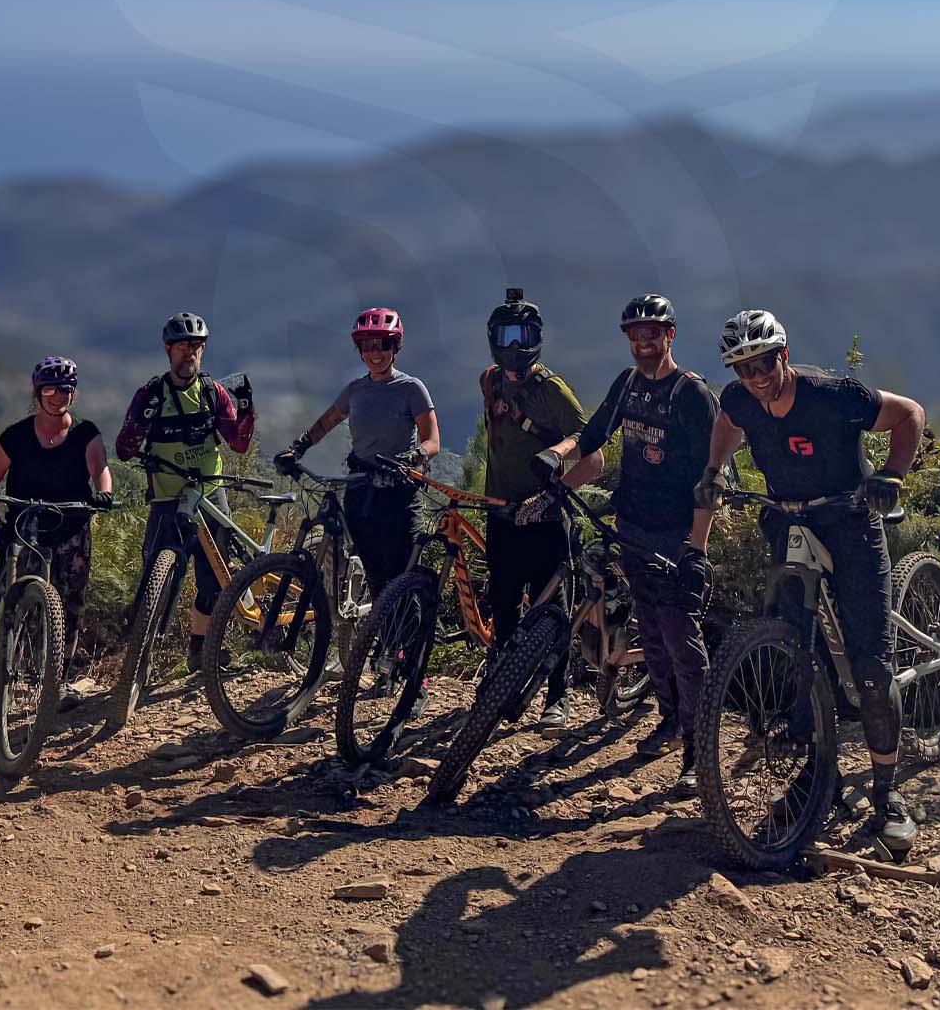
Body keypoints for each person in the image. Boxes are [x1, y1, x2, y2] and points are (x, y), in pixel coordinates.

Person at [694, 309, 928, 852]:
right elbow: (728, 425)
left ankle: (887, 792)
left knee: (870, 667)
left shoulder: (832, 395)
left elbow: (909, 415)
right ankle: (814, 762)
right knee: (797, 648)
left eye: (765, 361)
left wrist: (892, 475)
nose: (756, 375)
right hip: (787, 517)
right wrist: (713, 472)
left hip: (849, 521)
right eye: (743, 366)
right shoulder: (737, 399)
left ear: (783, 353)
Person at [535, 294, 715, 789]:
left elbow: (709, 478)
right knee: (652, 633)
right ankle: (670, 721)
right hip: (633, 525)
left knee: (681, 636)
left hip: (676, 533)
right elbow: (594, 433)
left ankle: (701, 745)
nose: (642, 342)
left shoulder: (692, 395)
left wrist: (697, 549)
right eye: (634, 335)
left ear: (670, 335)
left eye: (652, 333)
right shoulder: (629, 385)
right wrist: (558, 454)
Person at [479, 288, 603, 735]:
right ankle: (499, 685)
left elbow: (593, 452)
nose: (515, 345)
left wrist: (555, 479)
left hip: (547, 516)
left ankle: (557, 694)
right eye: (507, 334)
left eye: (524, 334)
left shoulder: (552, 389)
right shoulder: (490, 380)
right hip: (501, 513)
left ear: (537, 338)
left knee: (551, 608)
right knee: (505, 604)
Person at [111, 312, 257, 672]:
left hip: (211, 496)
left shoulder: (213, 393)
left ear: (202, 350)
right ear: (168, 350)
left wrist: (247, 409)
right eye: (180, 346)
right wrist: (139, 423)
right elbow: (124, 449)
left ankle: (199, 652)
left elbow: (237, 444)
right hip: (168, 497)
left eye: (195, 346)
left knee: (213, 579)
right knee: (158, 575)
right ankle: (141, 656)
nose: (188, 353)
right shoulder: (151, 394)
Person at [275, 308, 441, 598]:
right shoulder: (355, 390)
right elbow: (326, 422)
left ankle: (409, 638)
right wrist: (298, 448)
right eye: (368, 346)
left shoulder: (412, 388)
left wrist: (416, 456)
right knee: (375, 574)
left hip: (401, 491)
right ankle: (382, 636)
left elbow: (432, 440)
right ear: (360, 350)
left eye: (384, 345)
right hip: (362, 489)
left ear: (395, 347)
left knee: (402, 572)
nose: (376, 353)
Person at [0, 356, 114, 680]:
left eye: (65, 389)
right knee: (12, 597)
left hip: (70, 526)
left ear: (73, 393)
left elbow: (101, 470)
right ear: (37, 393)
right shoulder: (15, 437)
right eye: (50, 389)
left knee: (71, 606)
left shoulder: (85, 434)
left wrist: (104, 493)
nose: (58, 395)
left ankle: (58, 680)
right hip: (24, 527)